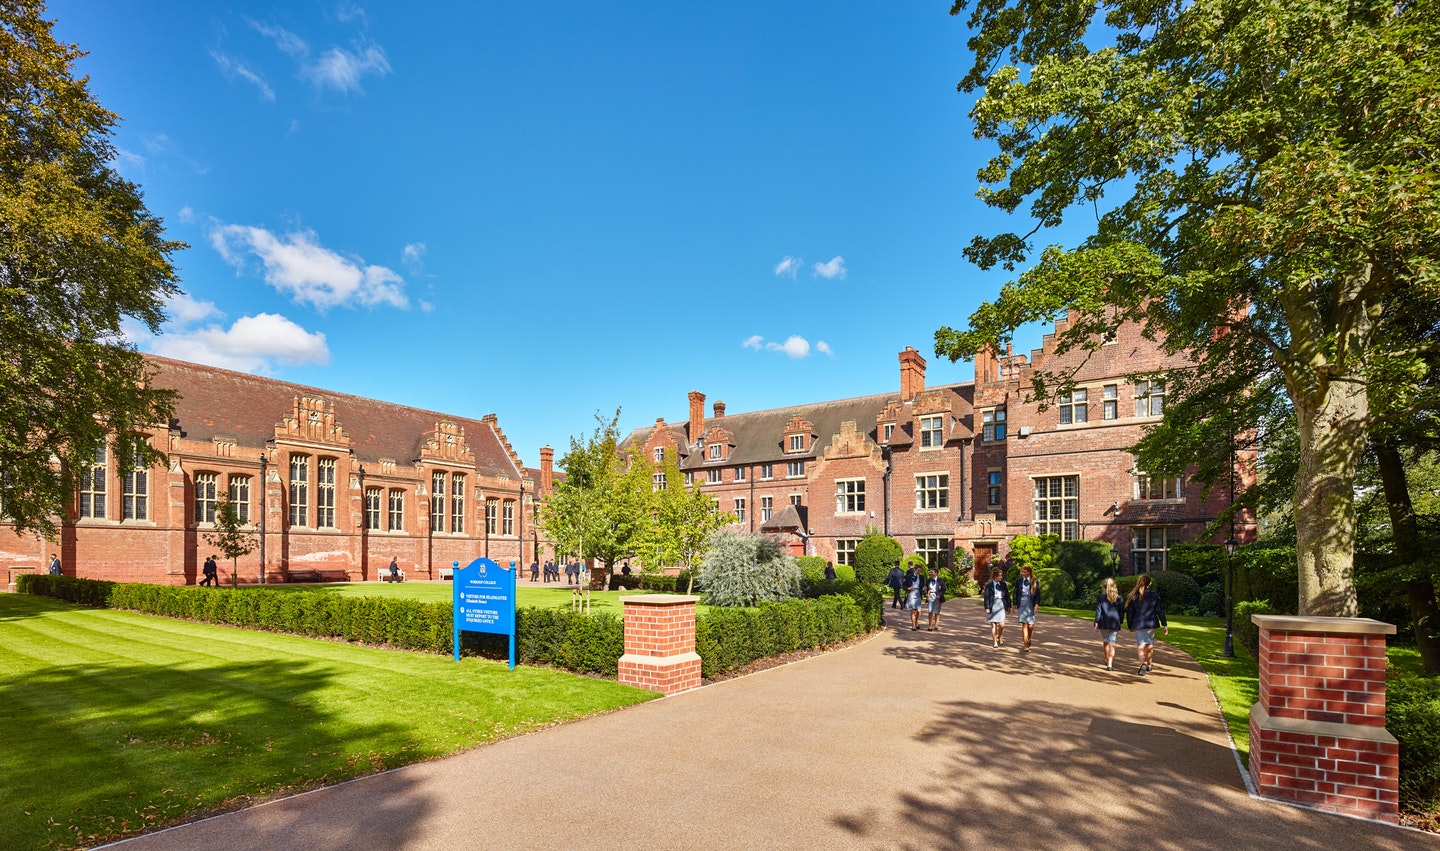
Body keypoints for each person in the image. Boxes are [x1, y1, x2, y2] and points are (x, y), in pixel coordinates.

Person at [1125, 573, 1169, 675]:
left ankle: (1142, 664)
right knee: (1149, 644)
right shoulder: (1154, 595)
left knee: (1141, 645)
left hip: (1139, 623)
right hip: (1151, 623)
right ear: (1149, 583)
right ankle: (1149, 665)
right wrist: (1164, 624)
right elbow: (1159, 610)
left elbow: (1130, 613)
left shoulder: (1133, 595)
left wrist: (1130, 625)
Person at [1094, 577, 1125, 670]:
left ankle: (1107, 659)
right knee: (1112, 643)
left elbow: (1098, 611)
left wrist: (1096, 622)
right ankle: (1110, 664)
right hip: (1115, 622)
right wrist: (1121, 621)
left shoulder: (1100, 597)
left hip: (1103, 622)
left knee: (1105, 642)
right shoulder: (1119, 598)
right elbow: (1122, 612)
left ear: (1103, 586)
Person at [1012, 564, 1041, 652]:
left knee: (1030, 625)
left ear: (1029, 572)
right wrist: (1014, 605)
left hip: (1031, 603)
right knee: (1024, 624)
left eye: (1024, 572)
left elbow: (1038, 594)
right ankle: (1025, 645)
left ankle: (1029, 639)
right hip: (1022, 602)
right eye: (1021, 572)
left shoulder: (1035, 581)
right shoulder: (1018, 581)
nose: (1022, 573)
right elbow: (1015, 593)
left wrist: (1036, 604)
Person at [983, 567, 1010, 647]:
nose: (1001, 577)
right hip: (993, 605)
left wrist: (1009, 606)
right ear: (995, 576)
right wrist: (987, 607)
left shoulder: (1003, 584)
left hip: (1001, 604)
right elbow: (986, 597)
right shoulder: (989, 586)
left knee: (1002, 624)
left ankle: (1000, 637)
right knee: (993, 624)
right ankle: (995, 641)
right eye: (999, 576)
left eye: (1001, 576)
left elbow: (1007, 595)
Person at [924, 566, 947, 632]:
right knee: (930, 611)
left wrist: (940, 595)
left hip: (937, 596)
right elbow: (925, 588)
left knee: (937, 612)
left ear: (936, 573)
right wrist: (925, 594)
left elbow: (944, 589)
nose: (930, 573)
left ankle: (936, 625)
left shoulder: (940, 580)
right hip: (930, 596)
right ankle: (930, 626)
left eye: (932, 572)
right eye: (930, 572)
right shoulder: (928, 580)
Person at [904, 562, 925, 630]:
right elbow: (904, 585)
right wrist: (908, 588)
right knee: (912, 610)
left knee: (919, 610)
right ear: (914, 570)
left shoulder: (921, 577)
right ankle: (913, 625)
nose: (919, 572)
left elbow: (922, 585)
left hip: (918, 592)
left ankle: (916, 621)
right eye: (918, 570)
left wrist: (924, 588)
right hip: (911, 593)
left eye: (920, 571)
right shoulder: (909, 576)